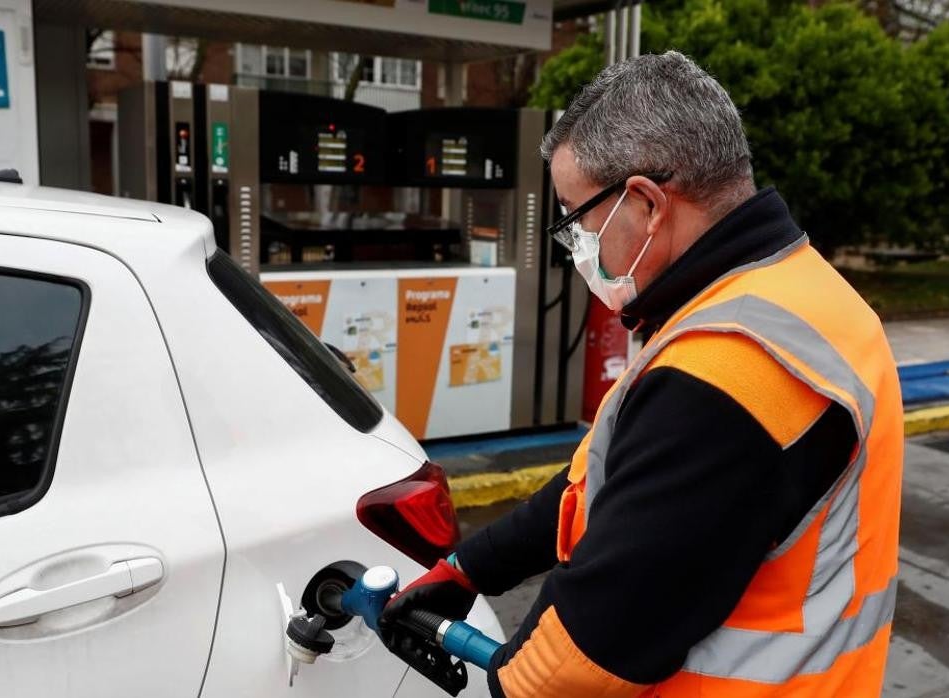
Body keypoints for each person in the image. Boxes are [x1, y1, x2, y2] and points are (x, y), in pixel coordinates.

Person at [379, 51, 904, 698]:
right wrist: (470, 567)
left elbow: (584, 657)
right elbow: (604, 479)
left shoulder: (727, 374)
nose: (576, 245)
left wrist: (511, 681)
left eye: (576, 218)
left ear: (648, 204)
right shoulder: (799, 291)